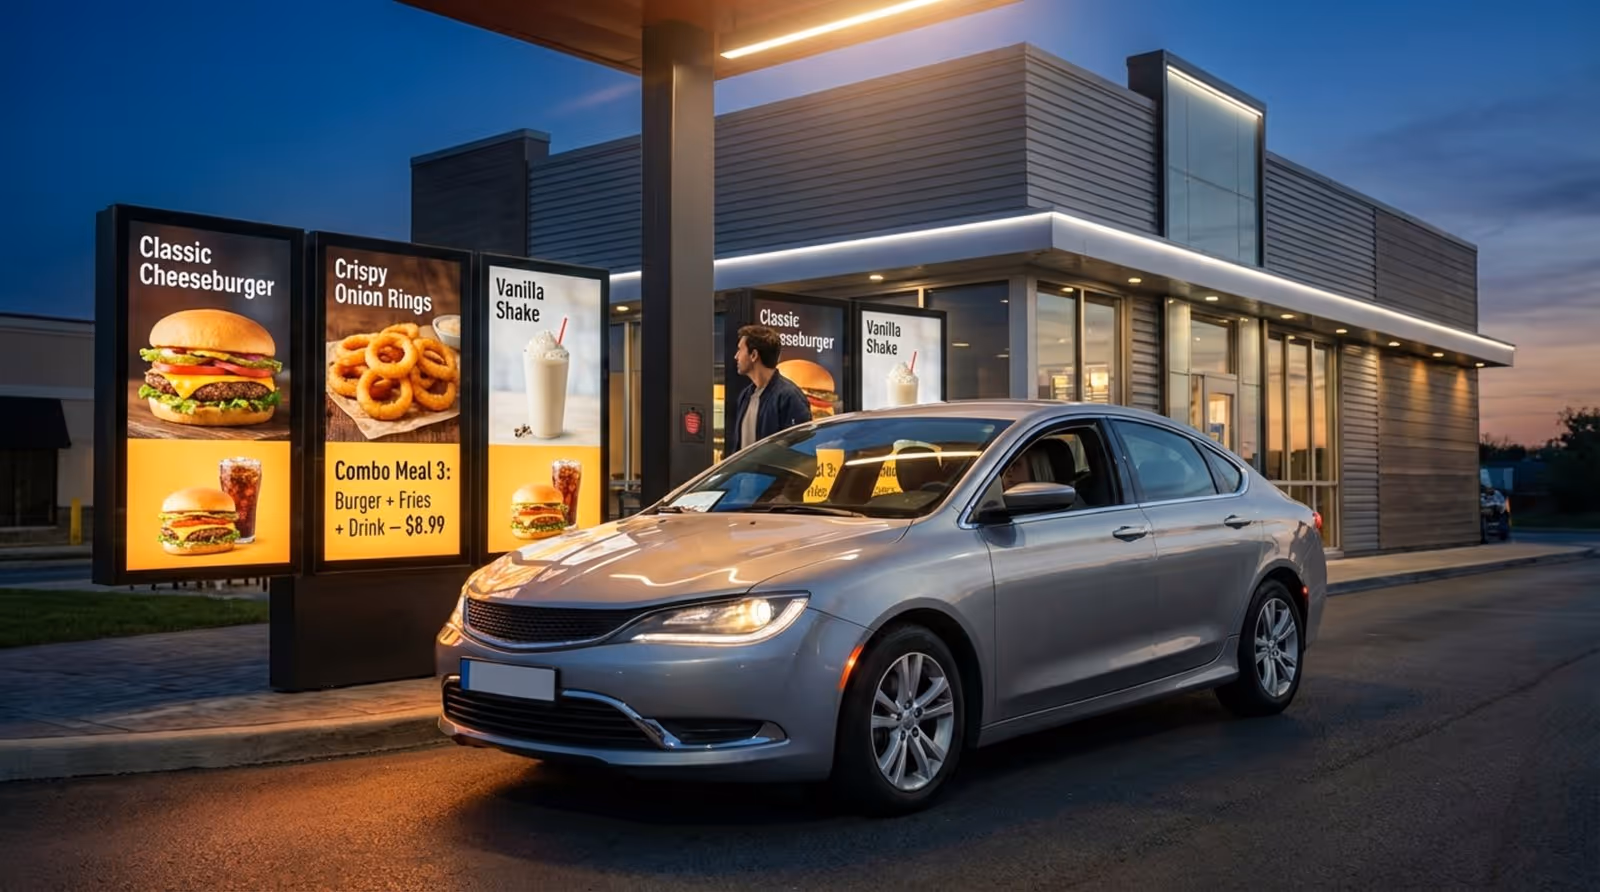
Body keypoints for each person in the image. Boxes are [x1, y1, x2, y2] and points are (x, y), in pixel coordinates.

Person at [724, 324, 812, 456]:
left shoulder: (790, 397)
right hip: (745, 477)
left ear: (754, 355)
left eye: (740, 350)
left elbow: (800, 451)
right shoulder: (745, 396)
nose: (736, 356)